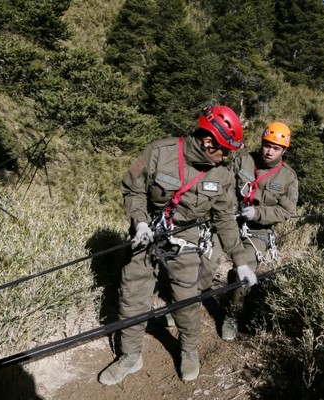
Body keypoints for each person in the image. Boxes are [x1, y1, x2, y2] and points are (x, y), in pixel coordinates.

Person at [97, 104, 257, 385]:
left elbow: (226, 221)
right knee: (132, 294)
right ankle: (130, 355)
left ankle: (188, 350)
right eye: (224, 150)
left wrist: (241, 262)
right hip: (146, 234)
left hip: (187, 240)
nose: (226, 157)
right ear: (208, 142)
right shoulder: (160, 152)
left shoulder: (221, 174)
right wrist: (140, 222)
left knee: (187, 299)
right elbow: (133, 188)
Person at [217, 121, 299, 341]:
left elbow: (286, 212)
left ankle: (231, 316)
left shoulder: (288, 177)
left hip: (258, 232)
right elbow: (223, 184)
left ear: (284, 151)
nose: (269, 151)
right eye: (267, 145)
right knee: (204, 258)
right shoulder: (244, 160)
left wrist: (258, 213)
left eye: (276, 148)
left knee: (243, 271)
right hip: (228, 222)